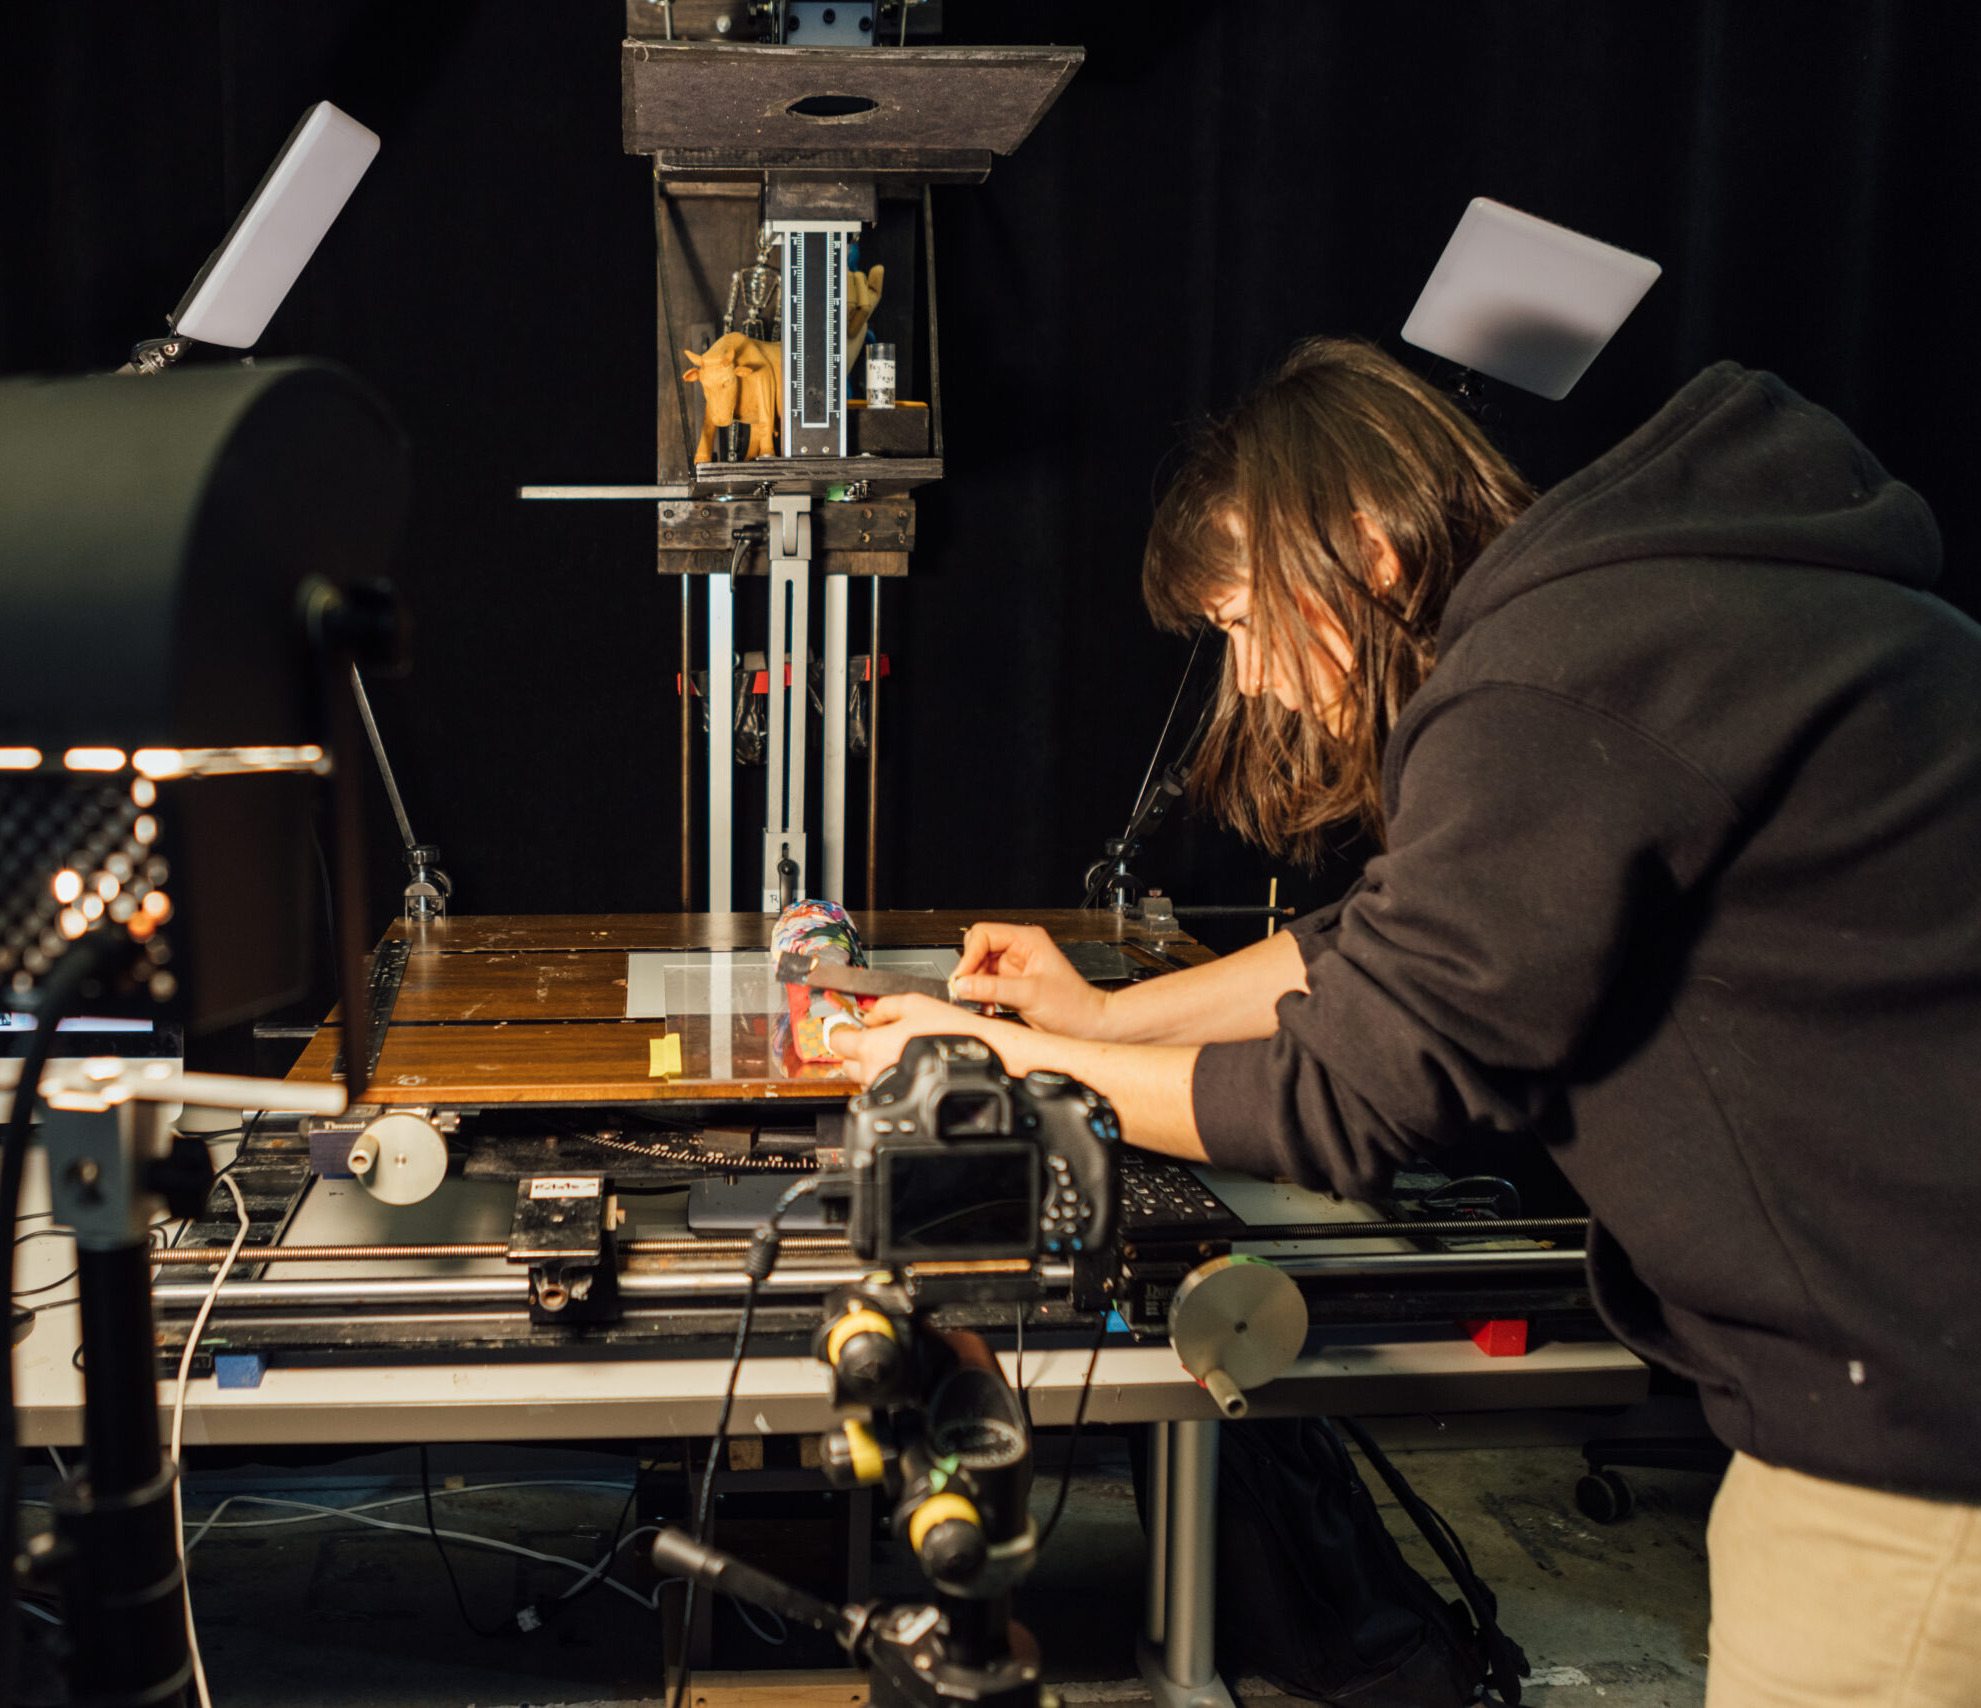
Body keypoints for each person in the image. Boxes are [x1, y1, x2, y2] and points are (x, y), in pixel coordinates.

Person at [828, 338, 1981, 1705]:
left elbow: (1353, 1097)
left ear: (1366, 548)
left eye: (1250, 622)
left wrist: (1004, 1067)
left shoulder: (1542, 684)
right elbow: (1380, 945)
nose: (1252, 681)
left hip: (1916, 1429)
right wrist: (1108, 1018)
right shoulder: (1646, 617)